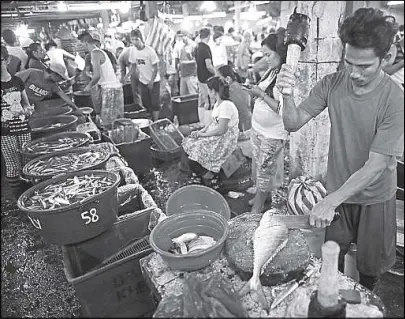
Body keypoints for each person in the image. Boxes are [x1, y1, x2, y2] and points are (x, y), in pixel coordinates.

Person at [275, 7, 404, 291]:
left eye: (365, 66)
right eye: (349, 63)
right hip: (338, 192)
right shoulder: (332, 83)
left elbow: (377, 164)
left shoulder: (395, 99)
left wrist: (329, 200)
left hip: (375, 196)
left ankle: (367, 302)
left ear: (387, 58)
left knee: (369, 270)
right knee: (331, 256)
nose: (354, 74)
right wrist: (287, 94)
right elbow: (293, 123)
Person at [242, 32, 289, 215]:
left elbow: (282, 109)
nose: (266, 59)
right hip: (259, 130)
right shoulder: (273, 71)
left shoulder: (285, 77)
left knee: (265, 170)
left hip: (273, 134)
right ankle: (263, 197)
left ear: (280, 52)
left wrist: (260, 94)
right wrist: (255, 91)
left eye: (268, 54)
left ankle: (258, 207)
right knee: (260, 167)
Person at [182, 76, 239, 180]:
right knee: (189, 142)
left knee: (194, 156)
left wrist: (203, 135)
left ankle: (212, 179)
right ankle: (202, 174)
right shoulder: (218, 103)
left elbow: (221, 130)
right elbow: (213, 122)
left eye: (208, 89)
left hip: (224, 139)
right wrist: (201, 131)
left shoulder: (226, 105)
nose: (207, 91)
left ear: (213, 91)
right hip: (216, 134)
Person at [1, 46, 34, 198]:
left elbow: (26, 104)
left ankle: (31, 194)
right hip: (5, 131)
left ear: (7, 60)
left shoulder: (17, 81)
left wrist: (28, 110)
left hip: (22, 127)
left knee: (28, 161)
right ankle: (18, 198)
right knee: (12, 164)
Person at [79, 32, 124, 130]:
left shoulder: (95, 53)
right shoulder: (97, 52)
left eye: (81, 44)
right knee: (115, 120)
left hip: (110, 89)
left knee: (108, 122)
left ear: (86, 42)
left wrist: (89, 86)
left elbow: (97, 76)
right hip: (112, 88)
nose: (81, 47)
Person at [15, 67, 83, 121]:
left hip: (28, 108)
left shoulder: (53, 85)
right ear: (54, 74)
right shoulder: (32, 72)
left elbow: (64, 96)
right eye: (60, 78)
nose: (60, 81)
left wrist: (76, 108)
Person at [123, 29, 161, 122]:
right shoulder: (132, 51)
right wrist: (126, 76)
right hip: (143, 80)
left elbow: (155, 68)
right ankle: (149, 121)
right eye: (133, 39)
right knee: (146, 103)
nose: (135, 42)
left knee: (155, 104)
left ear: (141, 39)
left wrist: (151, 81)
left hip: (154, 81)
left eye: (136, 39)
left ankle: (155, 121)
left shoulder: (150, 51)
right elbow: (134, 66)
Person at [218, 65, 251, 135]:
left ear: (227, 79)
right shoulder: (244, 87)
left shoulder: (227, 92)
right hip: (250, 128)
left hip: (238, 132)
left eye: (219, 79)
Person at [195, 28, 216, 125]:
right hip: (207, 79)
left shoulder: (197, 47)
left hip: (200, 77)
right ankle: (209, 124)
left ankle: (202, 122)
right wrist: (216, 73)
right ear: (209, 36)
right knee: (210, 101)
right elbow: (208, 65)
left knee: (202, 100)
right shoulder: (205, 48)